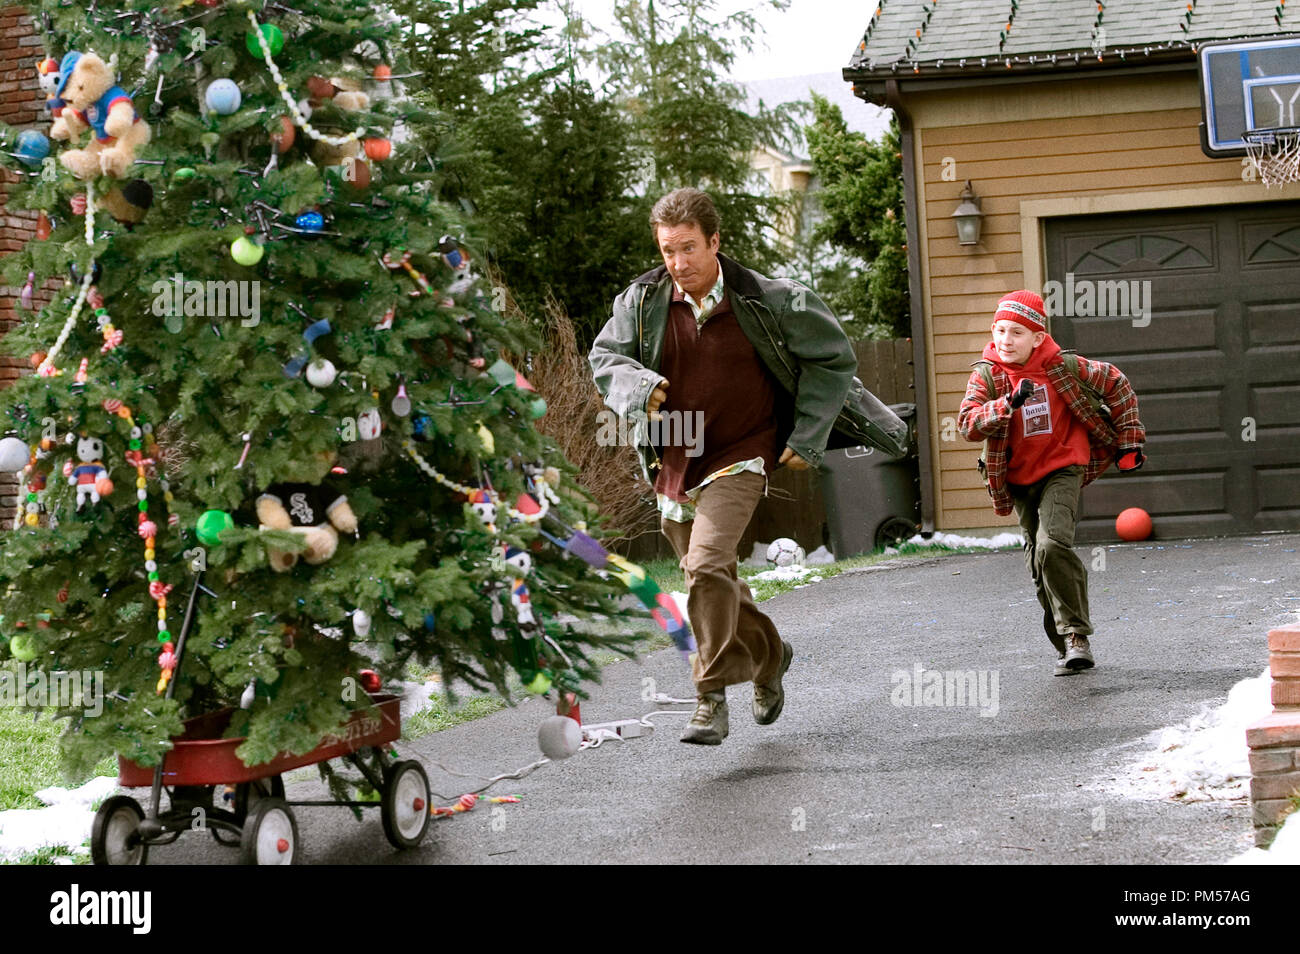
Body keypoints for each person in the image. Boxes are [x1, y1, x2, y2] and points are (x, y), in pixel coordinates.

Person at [588, 187, 862, 744]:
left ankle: (708, 698)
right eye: (667, 250)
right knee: (714, 582)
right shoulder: (641, 303)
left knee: (707, 567)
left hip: (742, 451)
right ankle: (770, 656)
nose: (677, 263)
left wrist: (808, 434)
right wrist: (639, 387)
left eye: (688, 248)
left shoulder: (768, 300)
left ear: (715, 241)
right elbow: (604, 357)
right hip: (674, 456)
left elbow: (833, 360)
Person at [958, 290, 1146, 676]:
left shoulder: (1063, 366)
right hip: (1016, 478)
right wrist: (1006, 404)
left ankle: (1077, 636)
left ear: (1038, 338)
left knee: (1052, 544)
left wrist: (1129, 440)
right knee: (1038, 564)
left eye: (1017, 333)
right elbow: (967, 425)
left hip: (1064, 467)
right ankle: (1065, 647)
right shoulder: (988, 375)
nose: (1006, 341)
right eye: (1000, 331)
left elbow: (1118, 383)